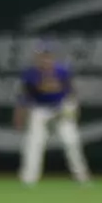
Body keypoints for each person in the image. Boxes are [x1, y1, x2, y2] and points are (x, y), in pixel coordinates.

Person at [13, 44, 91, 186]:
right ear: (37, 58)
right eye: (42, 56)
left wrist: (73, 109)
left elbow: (72, 92)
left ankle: (82, 177)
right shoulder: (31, 73)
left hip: (60, 108)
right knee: (33, 143)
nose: (45, 59)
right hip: (40, 109)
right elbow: (24, 97)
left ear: (53, 57)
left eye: (48, 56)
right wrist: (19, 117)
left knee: (71, 142)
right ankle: (28, 178)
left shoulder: (62, 71)